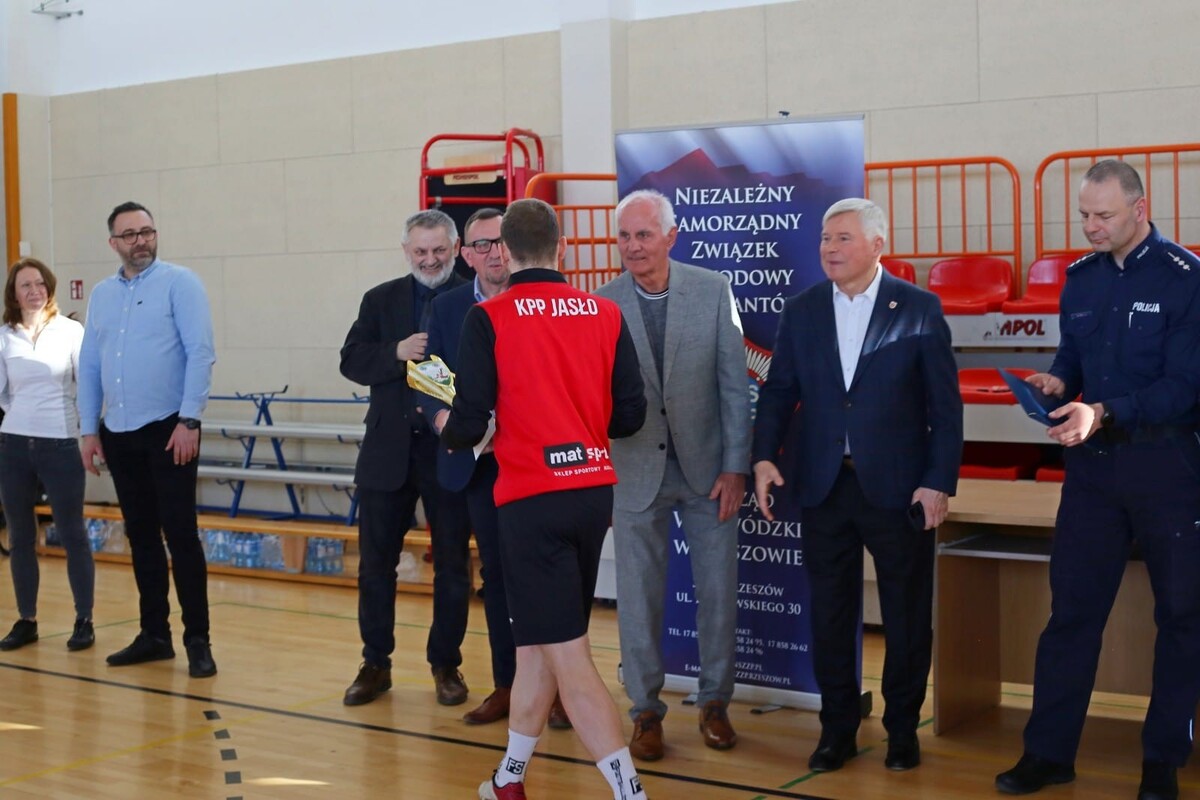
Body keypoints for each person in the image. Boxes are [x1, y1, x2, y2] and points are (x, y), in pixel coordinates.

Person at [995, 160, 1200, 800]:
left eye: (1103, 215)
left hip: (1167, 470)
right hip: (1093, 474)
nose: (1090, 226)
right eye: (1084, 214)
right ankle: (1048, 754)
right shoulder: (1080, 279)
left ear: (1139, 209)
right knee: (1072, 616)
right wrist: (1059, 381)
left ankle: (1161, 764)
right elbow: (1074, 357)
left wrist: (1104, 410)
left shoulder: (1186, 279)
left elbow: (1185, 388)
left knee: (1182, 617)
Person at [441, 198, 649, 800]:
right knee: (538, 643)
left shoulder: (489, 317)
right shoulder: (605, 312)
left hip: (532, 500)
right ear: (561, 246)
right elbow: (630, 415)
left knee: (568, 654)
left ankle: (629, 792)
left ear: (505, 251)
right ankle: (509, 780)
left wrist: (450, 428)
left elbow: (470, 418)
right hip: (591, 495)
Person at [753, 197, 962, 774]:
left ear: (877, 244)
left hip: (899, 490)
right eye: (825, 238)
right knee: (830, 615)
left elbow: (945, 408)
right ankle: (837, 729)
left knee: (906, 615)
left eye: (843, 238)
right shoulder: (802, 309)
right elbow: (778, 392)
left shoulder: (919, 307)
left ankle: (902, 730)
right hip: (823, 486)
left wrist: (937, 482)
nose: (829, 248)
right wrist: (763, 457)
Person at [593, 189, 749, 760]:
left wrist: (736, 466)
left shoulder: (712, 290)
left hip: (710, 473)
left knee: (718, 593)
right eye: (625, 236)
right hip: (634, 473)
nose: (633, 246)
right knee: (638, 600)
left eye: (644, 234)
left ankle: (715, 703)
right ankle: (645, 713)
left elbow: (735, 386)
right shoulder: (601, 304)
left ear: (670, 237)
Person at [422, 208, 572, 730]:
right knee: (499, 578)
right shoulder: (447, 307)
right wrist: (443, 418)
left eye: (501, 242)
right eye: (482, 245)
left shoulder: (542, 301)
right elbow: (429, 372)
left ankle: (562, 690)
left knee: (549, 578)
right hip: (480, 466)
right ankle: (511, 686)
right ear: (466, 254)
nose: (493, 253)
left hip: (540, 463)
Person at [79, 201, 218, 678]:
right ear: (113, 243)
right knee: (140, 536)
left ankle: (198, 640)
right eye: (130, 234)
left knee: (181, 535)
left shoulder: (181, 283)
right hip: (118, 431)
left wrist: (190, 419)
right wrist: (88, 429)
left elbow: (201, 352)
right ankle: (154, 634)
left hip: (170, 429)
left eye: (147, 231)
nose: (141, 240)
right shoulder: (101, 295)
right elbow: (91, 365)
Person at [339, 209, 472, 708]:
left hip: (448, 449)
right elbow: (351, 360)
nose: (430, 260)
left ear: (455, 249)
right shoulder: (380, 299)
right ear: (406, 252)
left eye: (438, 250)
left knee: (453, 566)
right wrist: (396, 352)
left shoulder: (473, 298)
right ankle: (375, 663)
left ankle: (446, 664)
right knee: (375, 566)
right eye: (420, 251)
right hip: (387, 450)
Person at [0, 258, 93, 652]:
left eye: (39, 283)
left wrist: (87, 433)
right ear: (14, 294)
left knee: (72, 534)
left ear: (49, 287)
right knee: (20, 535)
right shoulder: (5, 336)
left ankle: (84, 620)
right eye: (25, 285)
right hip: (14, 445)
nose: (34, 290)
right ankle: (27, 620)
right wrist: (24, 418)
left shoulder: (71, 331)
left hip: (61, 443)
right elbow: (4, 394)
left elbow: (86, 386)